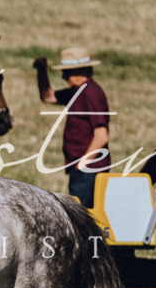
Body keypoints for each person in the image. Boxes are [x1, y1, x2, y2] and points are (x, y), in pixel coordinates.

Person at [34, 47, 111, 209]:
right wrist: (41, 71)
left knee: (81, 217)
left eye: (66, 73)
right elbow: (48, 97)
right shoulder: (76, 91)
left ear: (78, 71)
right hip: (82, 170)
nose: (63, 77)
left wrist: (82, 163)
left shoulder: (90, 93)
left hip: (88, 171)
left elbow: (101, 135)